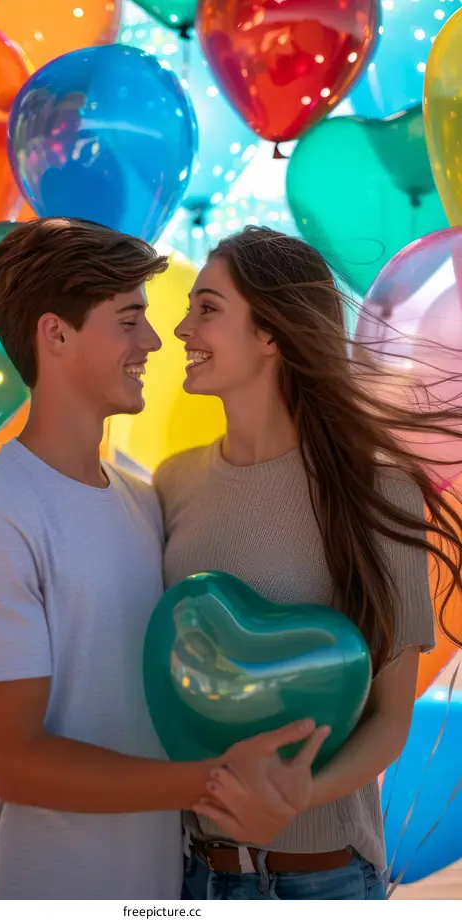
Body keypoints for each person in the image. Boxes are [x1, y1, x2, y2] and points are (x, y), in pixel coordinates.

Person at [0, 219, 329, 900]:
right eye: (130, 319)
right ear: (56, 334)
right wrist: (220, 782)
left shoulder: (143, 495)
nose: (154, 340)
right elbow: (17, 765)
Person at [154, 226, 462, 901]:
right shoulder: (172, 483)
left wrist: (301, 794)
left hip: (325, 880)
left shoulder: (377, 488)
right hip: (194, 878)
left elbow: (389, 716)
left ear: (271, 333)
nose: (180, 327)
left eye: (207, 307)